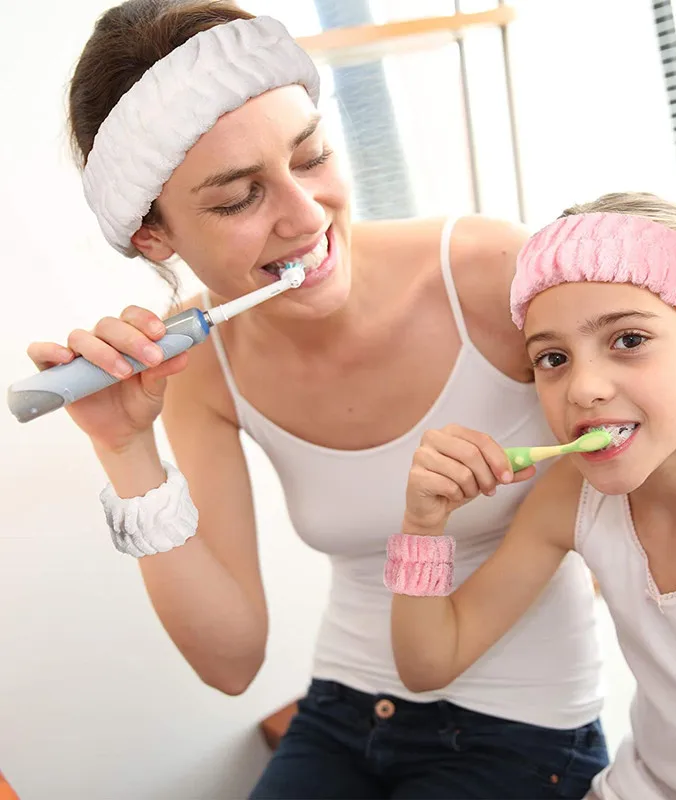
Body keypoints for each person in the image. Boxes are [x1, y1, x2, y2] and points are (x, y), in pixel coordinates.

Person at [28, 2, 608, 797]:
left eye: (312, 157)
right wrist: (127, 452)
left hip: (526, 729)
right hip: (340, 711)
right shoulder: (196, 363)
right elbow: (231, 662)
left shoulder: (492, 273)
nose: (306, 217)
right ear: (154, 237)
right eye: (238, 198)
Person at [388, 191, 676, 800]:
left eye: (628, 340)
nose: (582, 388)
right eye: (553, 358)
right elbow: (428, 664)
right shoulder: (574, 494)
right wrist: (422, 526)